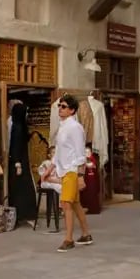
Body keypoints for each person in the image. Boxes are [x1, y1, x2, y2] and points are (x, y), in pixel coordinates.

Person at [49, 94, 92, 252]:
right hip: (64, 169)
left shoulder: (75, 128)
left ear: (72, 110)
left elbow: (81, 153)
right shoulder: (63, 126)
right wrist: (51, 168)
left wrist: (81, 175)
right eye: (60, 106)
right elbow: (60, 150)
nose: (60, 109)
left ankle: (68, 239)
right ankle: (86, 233)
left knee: (66, 203)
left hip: (71, 170)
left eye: (64, 106)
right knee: (74, 203)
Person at [8, 102, 38, 227]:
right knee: (23, 190)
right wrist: (17, 164)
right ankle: (21, 215)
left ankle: (22, 215)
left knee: (23, 190)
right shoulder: (17, 127)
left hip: (21, 162)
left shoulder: (20, 126)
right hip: (18, 164)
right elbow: (15, 146)